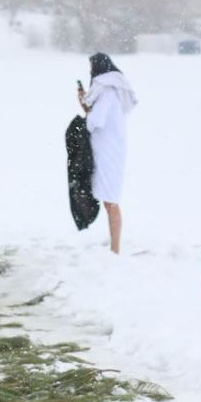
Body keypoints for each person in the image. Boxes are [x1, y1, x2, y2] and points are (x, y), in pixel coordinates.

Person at [78, 52, 137, 254]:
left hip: (107, 155)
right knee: (109, 201)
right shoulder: (111, 91)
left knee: (111, 201)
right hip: (112, 152)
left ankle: (116, 248)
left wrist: (85, 112)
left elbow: (95, 121)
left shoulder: (107, 92)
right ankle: (115, 246)